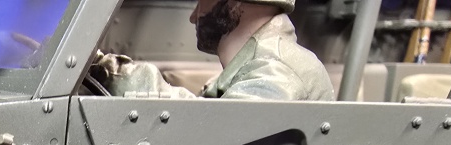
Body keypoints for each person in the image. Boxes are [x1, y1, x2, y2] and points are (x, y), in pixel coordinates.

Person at [90, 0, 335, 101]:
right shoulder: (258, 68)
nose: (193, 16)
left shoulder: (279, 73)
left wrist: (117, 75)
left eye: (203, 1)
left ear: (236, 4)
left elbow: (210, 135)